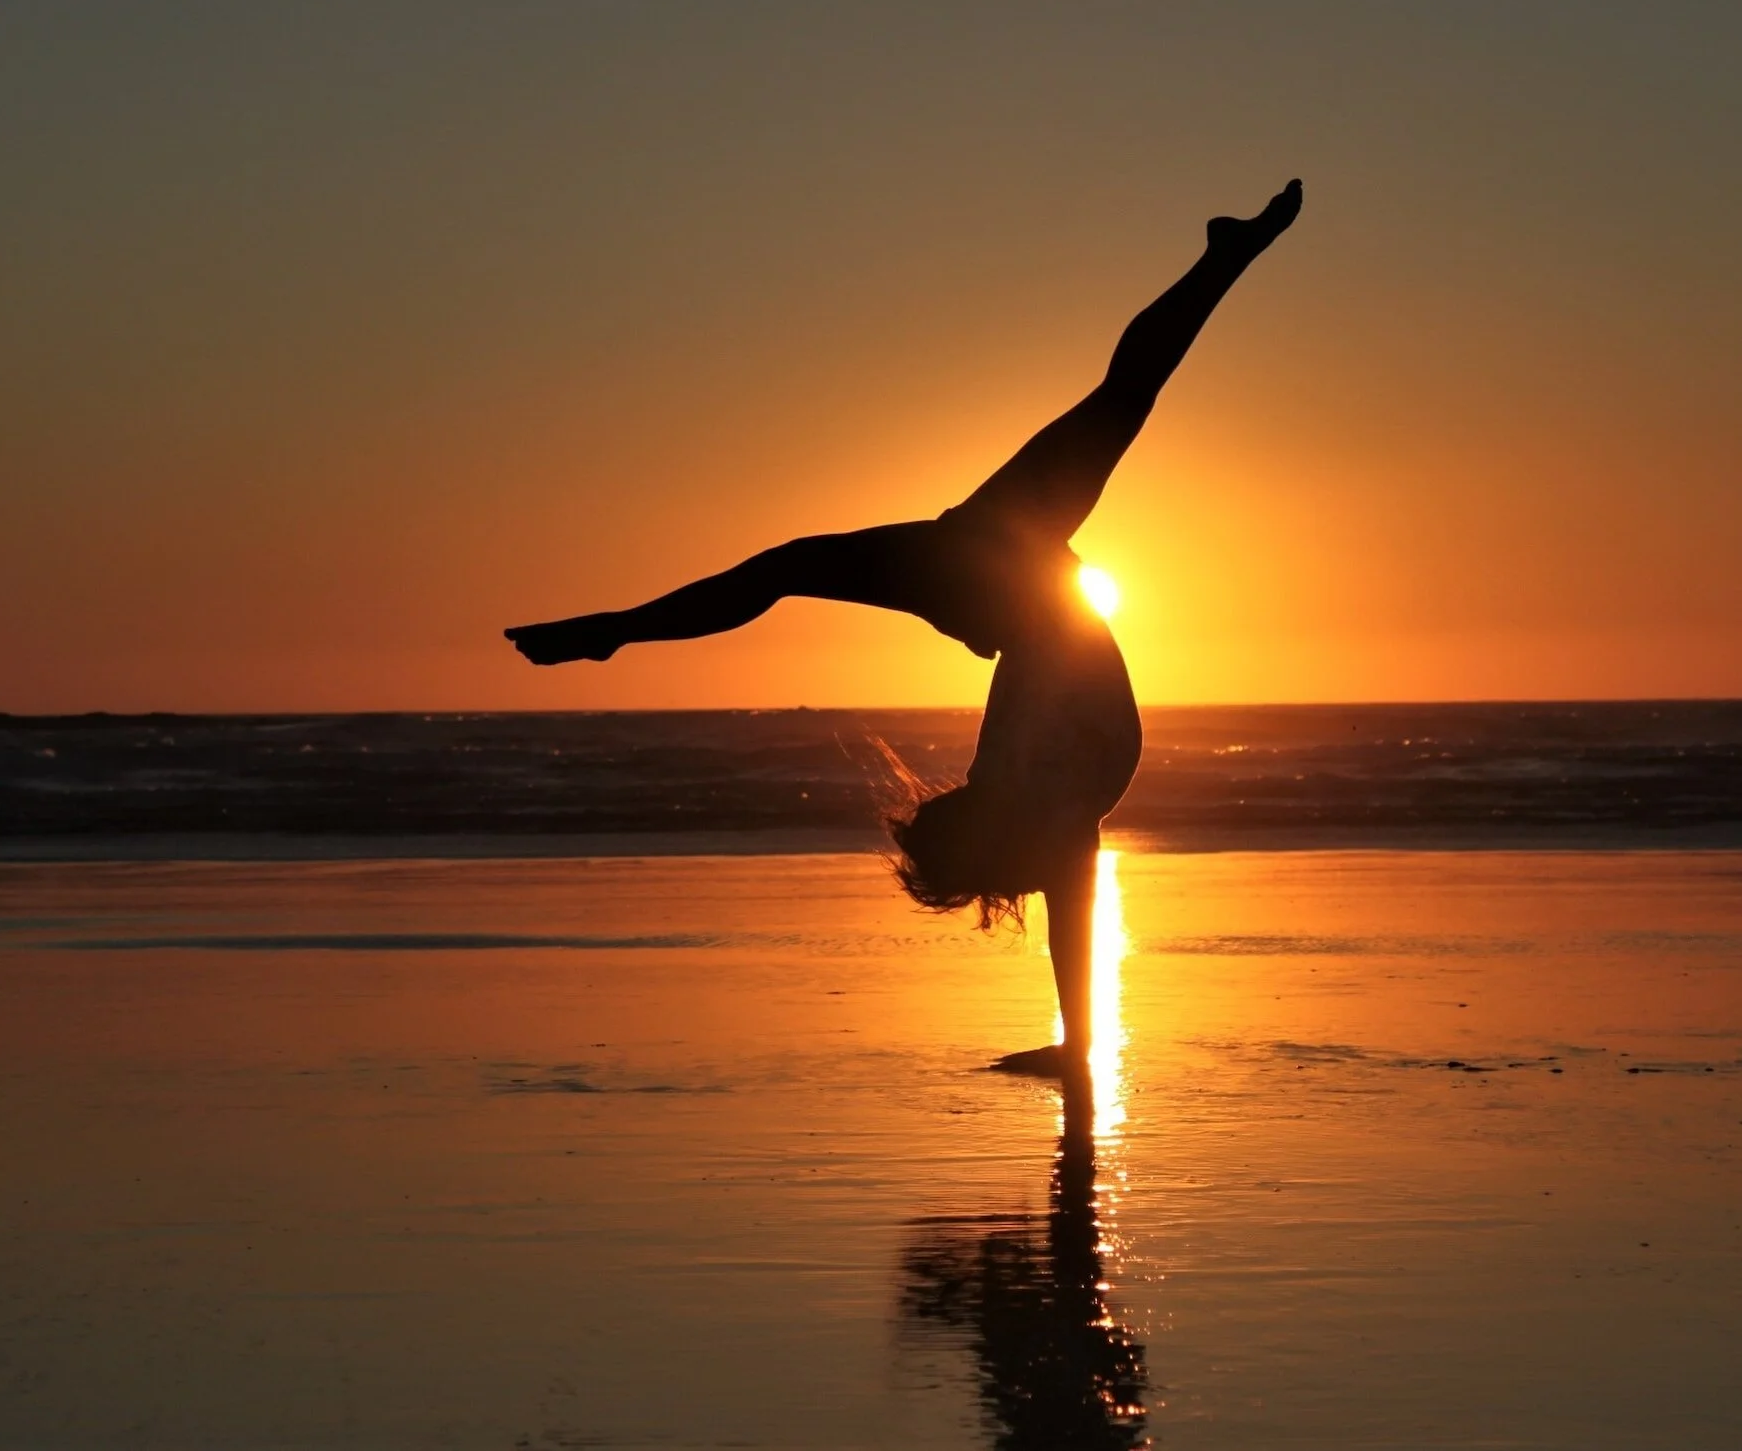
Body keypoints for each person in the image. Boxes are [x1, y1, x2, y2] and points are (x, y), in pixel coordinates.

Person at [506, 180, 1303, 1076]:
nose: (942, 789)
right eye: (945, 810)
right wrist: (1077, 1051)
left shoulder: (1050, 815)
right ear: (981, 830)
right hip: (994, 566)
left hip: (997, 579)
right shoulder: (1051, 804)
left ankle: (620, 631)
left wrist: (1079, 1049)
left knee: (790, 565)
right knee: (1119, 398)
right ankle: (1226, 254)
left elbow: (1071, 930)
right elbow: (1071, 923)